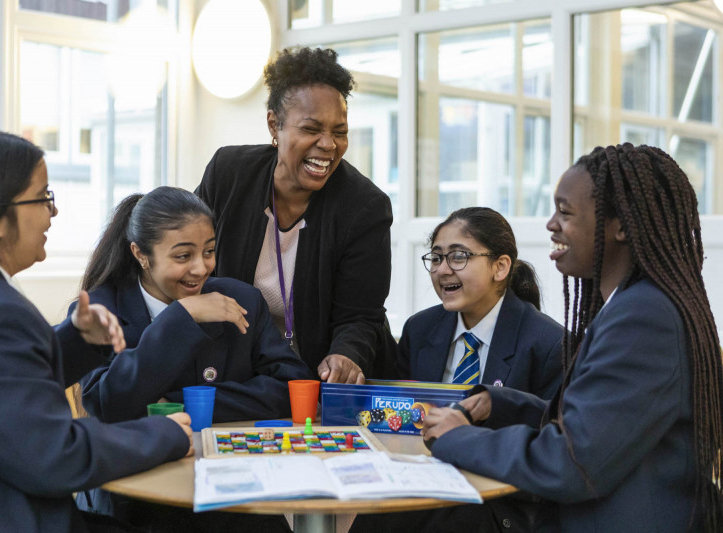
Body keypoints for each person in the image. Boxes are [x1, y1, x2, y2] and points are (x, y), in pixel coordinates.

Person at [422, 144, 723, 532]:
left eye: (565, 212)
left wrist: (458, 438)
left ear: (622, 226)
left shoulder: (643, 317)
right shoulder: (637, 305)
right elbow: (600, 428)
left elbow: (571, 462)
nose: (551, 224)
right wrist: (500, 405)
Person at [0, 129, 193, 533]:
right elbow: (55, 456)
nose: (53, 212)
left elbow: (0, 390)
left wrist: (77, 340)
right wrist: (165, 432)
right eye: (44, 196)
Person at [352, 207, 562, 533]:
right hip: (420, 482)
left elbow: (552, 443)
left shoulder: (548, 343)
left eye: (459, 257)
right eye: (436, 259)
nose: (443, 270)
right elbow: (403, 414)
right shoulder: (420, 330)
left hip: (497, 497)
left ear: (500, 266)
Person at [196, 46, 395, 384]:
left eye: (339, 131)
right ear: (275, 125)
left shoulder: (365, 207)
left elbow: (360, 316)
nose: (328, 144)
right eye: (311, 129)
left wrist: (346, 355)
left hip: (318, 379)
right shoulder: (228, 174)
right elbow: (192, 260)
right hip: (239, 371)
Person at [63, 186, 315, 424]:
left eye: (209, 251)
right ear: (141, 254)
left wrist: (178, 404)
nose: (200, 268)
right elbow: (107, 405)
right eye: (183, 256)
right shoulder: (98, 312)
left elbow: (293, 386)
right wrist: (182, 316)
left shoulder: (242, 299)